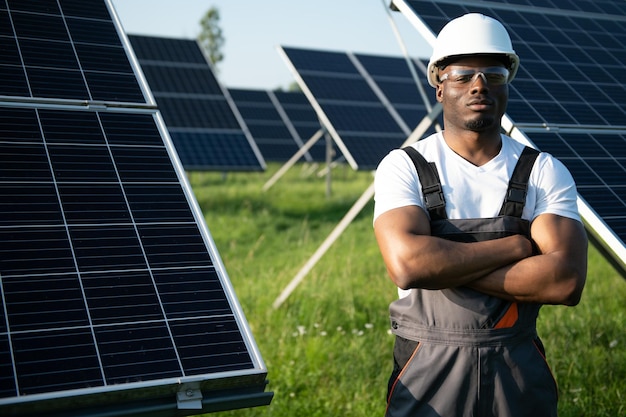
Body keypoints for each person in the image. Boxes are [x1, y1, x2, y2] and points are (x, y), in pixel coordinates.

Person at [373, 13, 587, 417]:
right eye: (462, 74)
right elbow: (408, 265)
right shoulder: (405, 165)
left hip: (518, 369)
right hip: (425, 370)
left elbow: (565, 282)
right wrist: (518, 246)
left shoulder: (543, 171)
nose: (479, 85)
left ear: (507, 83)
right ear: (439, 86)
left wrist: (443, 265)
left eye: (493, 73)